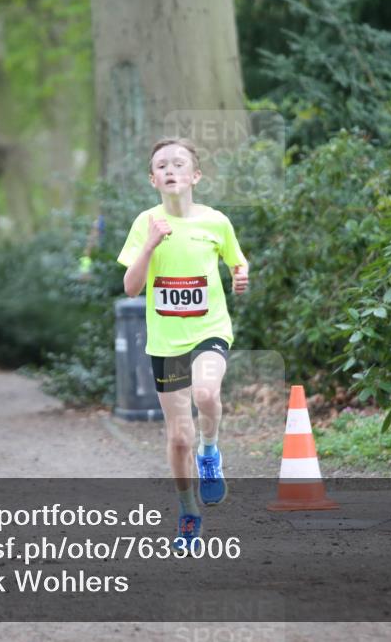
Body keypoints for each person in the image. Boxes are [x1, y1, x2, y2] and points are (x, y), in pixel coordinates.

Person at [117, 138, 249, 546]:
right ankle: (188, 511)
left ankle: (210, 453)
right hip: (166, 342)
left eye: (178, 163)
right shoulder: (145, 223)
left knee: (207, 393)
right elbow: (132, 288)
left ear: (195, 176)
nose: (170, 169)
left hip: (209, 329)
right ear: (153, 178)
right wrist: (151, 243)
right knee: (178, 437)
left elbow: (237, 260)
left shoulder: (215, 221)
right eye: (162, 165)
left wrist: (241, 276)